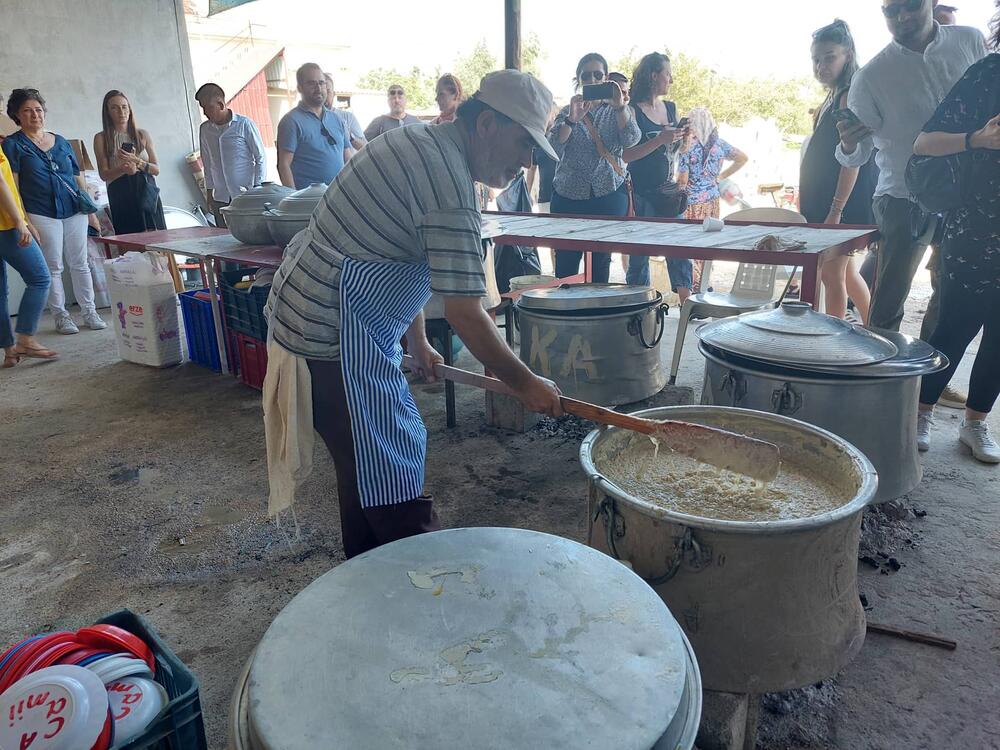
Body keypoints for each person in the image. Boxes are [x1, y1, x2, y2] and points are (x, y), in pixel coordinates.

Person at [263, 70, 563, 559]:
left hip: (334, 322)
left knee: (362, 468)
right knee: (388, 470)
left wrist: (416, 339)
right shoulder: (448, 184)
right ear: (487, 124)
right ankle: (427, 581)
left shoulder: (423, 140)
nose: (527, 161)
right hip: (329, 337)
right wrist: (524, 383)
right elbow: (465, 312)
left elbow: (401, 256)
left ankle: (366, 575)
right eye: (523, 143)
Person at [835, 0, 985, 410]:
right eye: (891, 10)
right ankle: (878, 389)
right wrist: (847, 142)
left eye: (911, 6)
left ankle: (927, 385)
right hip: (902, 197)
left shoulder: (969, 41)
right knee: (889, 301)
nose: (901, 17)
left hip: (965, 197)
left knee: (948, 298)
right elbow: (856, 153)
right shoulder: (872, 75)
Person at [914, 7, 1000, 464]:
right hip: (977, 229)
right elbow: (923, 143)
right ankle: (920, 412)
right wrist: (977, 139)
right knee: (954, 325)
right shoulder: (987, 73)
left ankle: (975, 423)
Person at [3, 88, 106, 334]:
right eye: (27, 111)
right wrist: (25, 220)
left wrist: (90, 211)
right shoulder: (13, 144)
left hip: (74, 209)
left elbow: (77, 178)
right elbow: (13, 187)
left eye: (38, 110)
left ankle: (89, 311)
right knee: (53, 266)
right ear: (17, 115)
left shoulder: (60, 141)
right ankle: (61, 316)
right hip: (41, 211)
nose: (35, 115)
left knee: (80, 263)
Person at [799, 21, 878, 322]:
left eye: (829, 57)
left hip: (840, 204)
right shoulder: (831, 97)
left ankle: (833, 339)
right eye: (816, 59)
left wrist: (836, 211)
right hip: (826, 202)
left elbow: (853, 159)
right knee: (845, 273)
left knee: (831, 275)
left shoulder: (848, 96)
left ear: (848, 55)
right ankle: (875, 328)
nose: (821, 66)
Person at [547, 53, 640, 283]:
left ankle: (598, 305)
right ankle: (566, 306)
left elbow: (631, 140)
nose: (592, 80)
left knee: (601, 264)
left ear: (606, 78)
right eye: (586, 76)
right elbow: (552, 149)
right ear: (578, 80)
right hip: (569, 197)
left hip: (607, 194)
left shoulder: (619, 111)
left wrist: (619, 107)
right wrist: (571, 119)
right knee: (566, 267)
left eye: (597, 75)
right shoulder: (567, 112)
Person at [622, 53, 689, 293]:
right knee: (639, 256)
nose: (671, 80)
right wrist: (660, 139)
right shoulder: (631, 111)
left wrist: (684, 138)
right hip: (640, 194)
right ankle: (639, 305)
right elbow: (626, 155)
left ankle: (687, 304)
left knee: (680, 251)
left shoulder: (670, 108)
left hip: (668, 193)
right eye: (667, 74)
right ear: (653, 76)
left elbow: (678, 150)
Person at [1, 96, 55, 367]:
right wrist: (19, 220)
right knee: (40, 278)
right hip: (5, 224)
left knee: (1, 292)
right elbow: (1, 183)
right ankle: (25, 338)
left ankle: (10, 350)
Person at [677, 107, 748, 291]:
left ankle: (694, 286)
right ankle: (705, 283)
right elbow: (742, 158)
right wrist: (721, 176)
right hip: (713, 201)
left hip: (691, 203)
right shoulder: (719, 144)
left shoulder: (687, 146)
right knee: (707, 244)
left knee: (691, 246)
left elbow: (682, 180)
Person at [194, 83, 267, 227]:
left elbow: (260, 158)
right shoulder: (205, 130)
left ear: (221, 104)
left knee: (247, 235)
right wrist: (209, 193)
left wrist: (257, 189)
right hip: (220, 197)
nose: (205, 113)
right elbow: (207, 164)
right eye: (202, 108)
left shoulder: (244, 125)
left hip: (245, 195)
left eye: (208, 107)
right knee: (222, 236)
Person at [93, 90, 165, 235]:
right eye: (115, 108)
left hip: (146, 189)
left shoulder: (142, 134)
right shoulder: (101, 138)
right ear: (108, 112)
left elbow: (156, 169)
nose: (121, 112)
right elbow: (104, 174)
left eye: (124, 107)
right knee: (130, 239)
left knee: (157, 236)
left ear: (130, 109)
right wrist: (123, 169)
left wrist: (137, 161)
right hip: (121, 192)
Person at [276, 63, 351, 189]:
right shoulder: (291, 122)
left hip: (338, 196)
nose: (318, 88)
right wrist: (294, 198)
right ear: (300, 88)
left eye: (322, 83)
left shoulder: (337, 119)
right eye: (311, 83)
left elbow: (348, 159)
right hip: (308, 199)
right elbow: (284, 165)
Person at [323, 73, 366, 156]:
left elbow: (365, 147)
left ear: (334, 94)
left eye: (328, 91)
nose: (324, 96)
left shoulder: (348, 117)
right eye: (322, 92)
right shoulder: (307, 121)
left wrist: (350, 137)